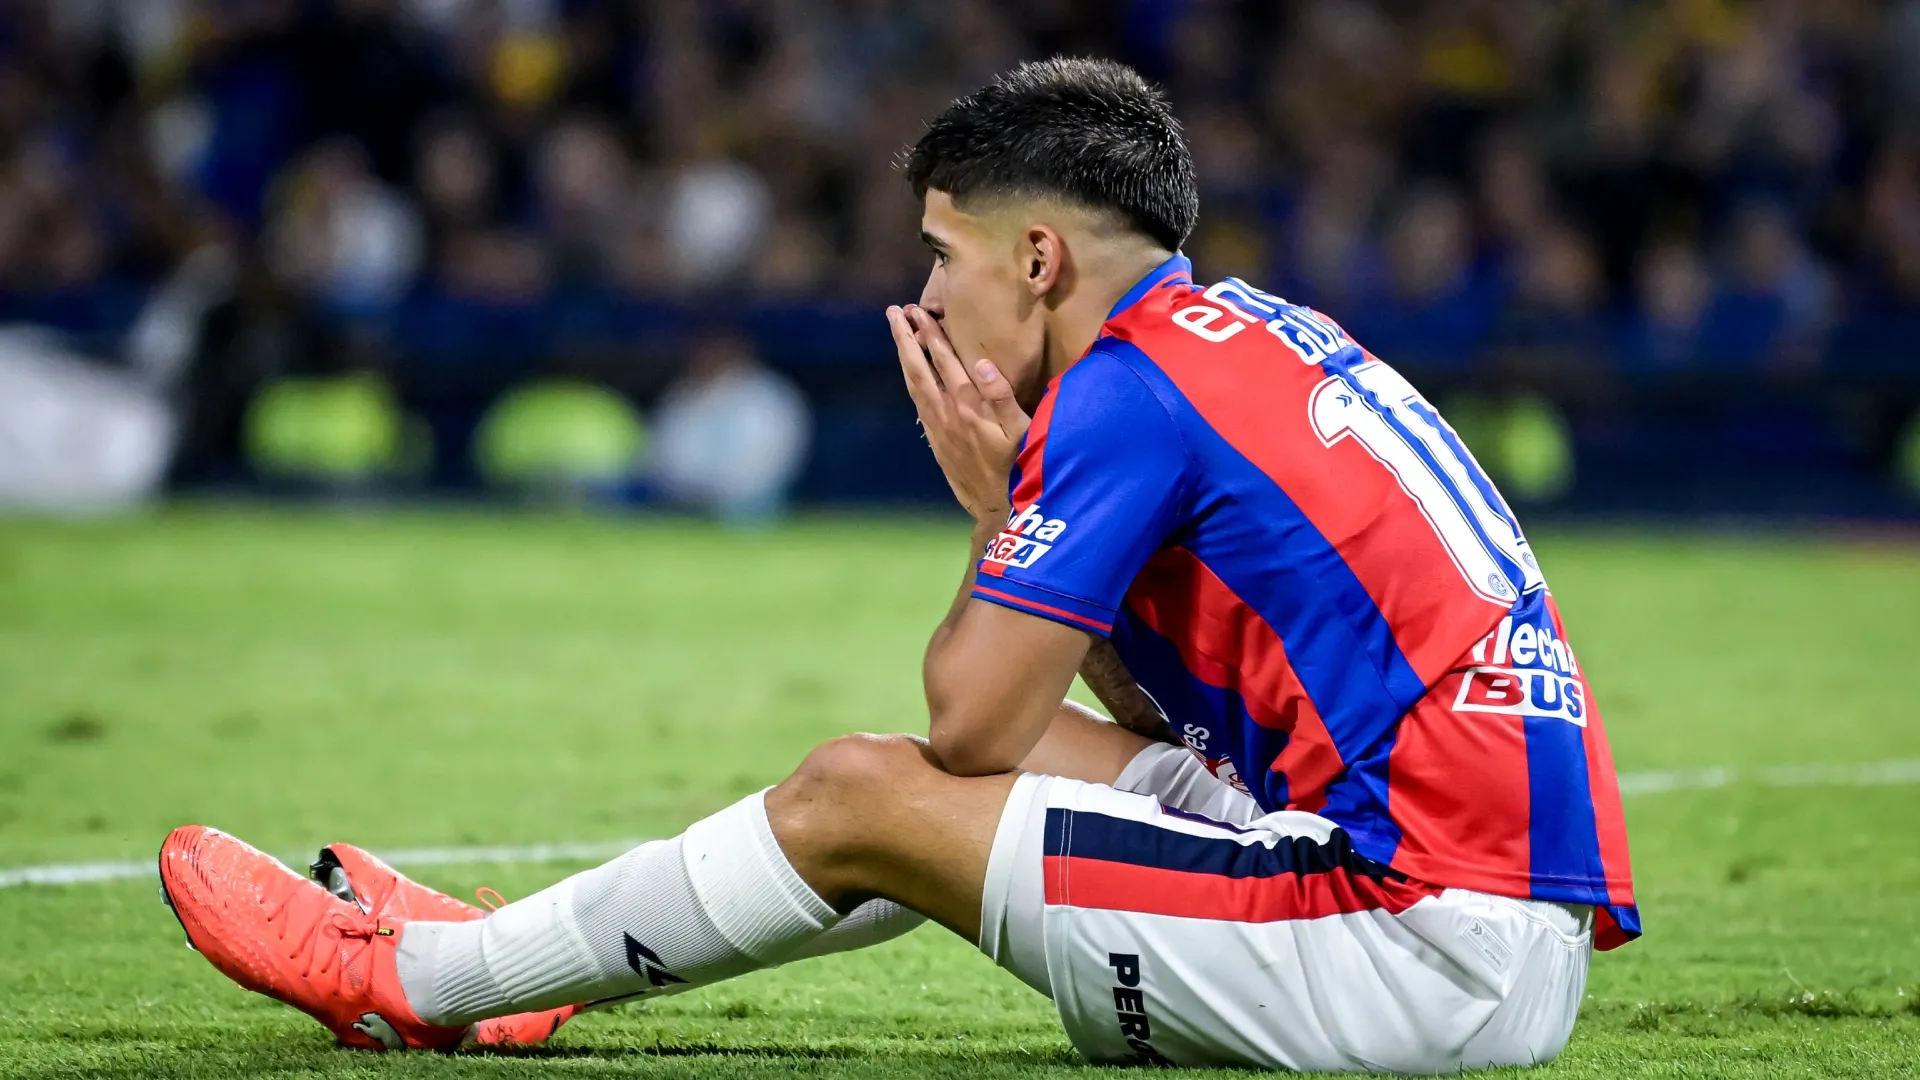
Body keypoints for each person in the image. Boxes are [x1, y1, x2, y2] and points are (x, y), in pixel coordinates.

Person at [157, 58, 1637, 1073]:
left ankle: (413, 990)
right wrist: (1025, 523)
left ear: (1040, 260)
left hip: (1412, 942)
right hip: (1482, 911)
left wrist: (995, 509)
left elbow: (965, 733)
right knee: (980, 766)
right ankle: (521, 970)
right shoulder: (1242, 334)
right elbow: (1139, 718)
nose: (927, 290)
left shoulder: (1128, 390)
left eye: (945, 253)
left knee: (869, 789)